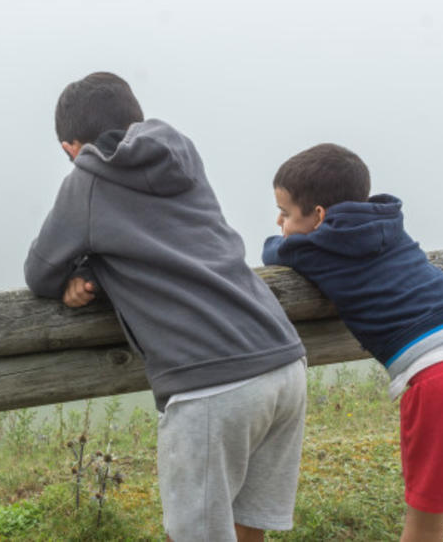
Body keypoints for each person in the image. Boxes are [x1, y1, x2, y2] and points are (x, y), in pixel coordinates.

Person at [24, 72, 307, 541]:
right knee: (247, 525)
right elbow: (164, 239)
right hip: (283, 361)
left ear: (71, 147)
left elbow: (40, 272)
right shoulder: (182, 154)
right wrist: (99, 266)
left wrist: (85, 268)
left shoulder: (85, 183)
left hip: (212, 383)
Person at [261, 143, 443, 542]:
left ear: (318, 217)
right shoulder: (389, 225)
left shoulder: (315, 247)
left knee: (422, 531)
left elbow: (273, 252)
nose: (280, 220)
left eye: (285, 212)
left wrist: (283, 236)